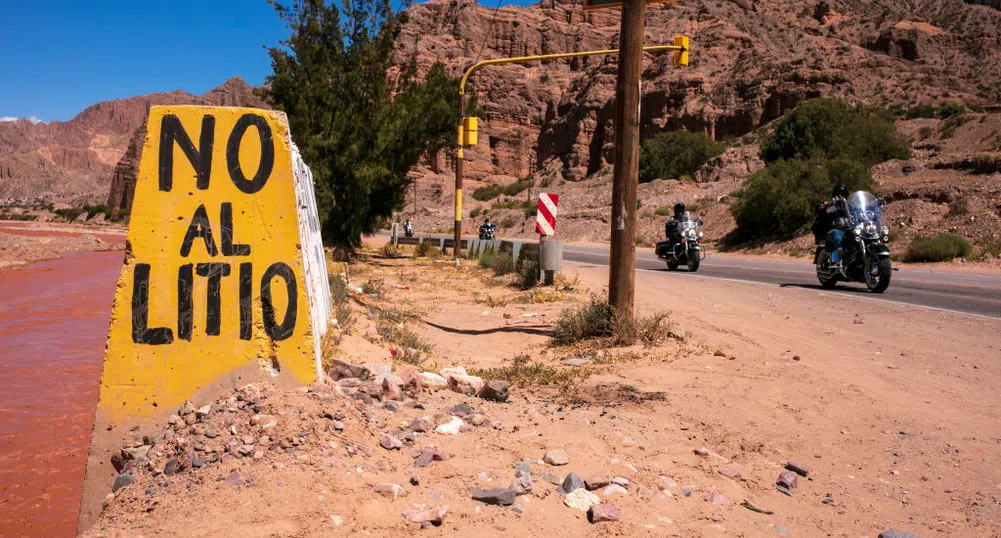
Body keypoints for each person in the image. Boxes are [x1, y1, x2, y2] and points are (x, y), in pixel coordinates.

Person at [817, 185, 850, 267]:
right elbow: (826, 211)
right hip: (837, 229)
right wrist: (827, 208)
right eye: (838, 194)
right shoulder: (833, 206)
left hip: (850, 229)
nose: (840, 196)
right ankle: (837, 260)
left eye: (843, 194)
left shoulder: (850, 206)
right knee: (837, 236)